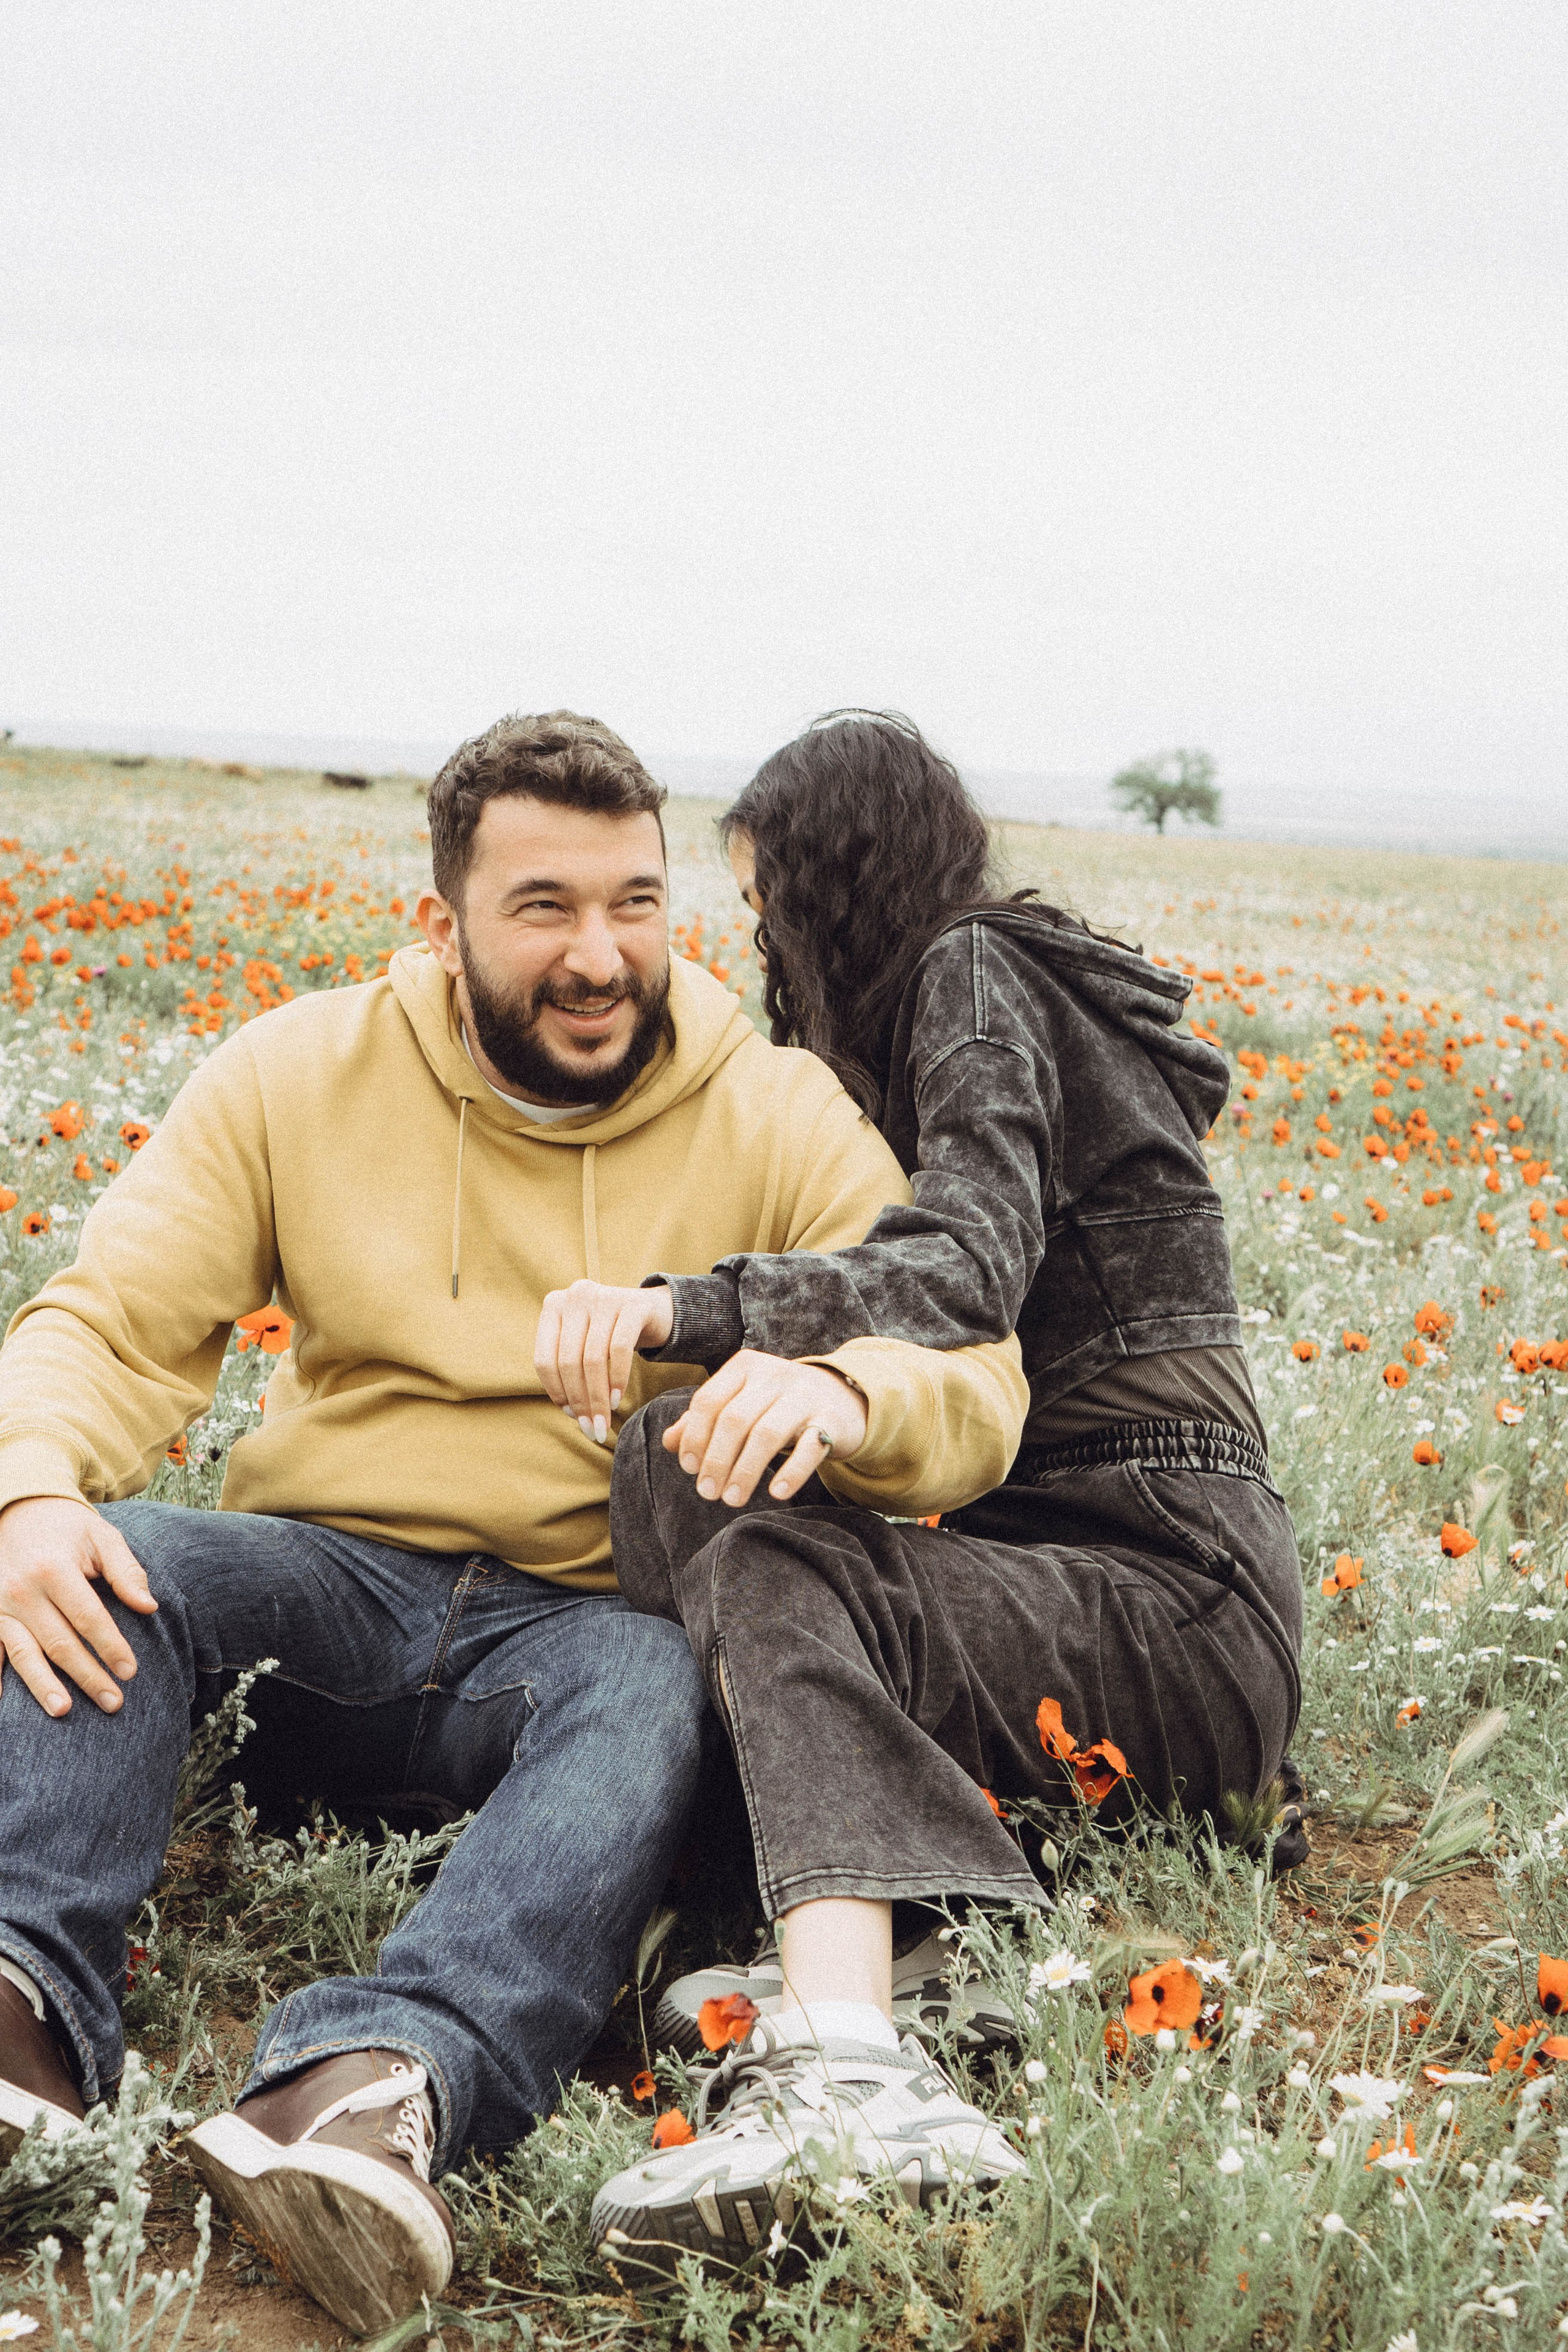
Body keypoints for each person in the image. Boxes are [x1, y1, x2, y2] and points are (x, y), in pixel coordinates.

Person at [0, 712, 1027, 2338]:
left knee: (657, 1685)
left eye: (634, 903)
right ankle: (22, 2022)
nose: (598, 955)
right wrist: (29, 1487)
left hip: (581, 1631)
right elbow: (110, 1322)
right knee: (112, 1560)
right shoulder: (297, 1070)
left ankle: (373, 2084)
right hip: (322, 1585)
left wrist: (848, 1392)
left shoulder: (774, 1111)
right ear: (443, 923)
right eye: (543, 907)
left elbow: (967, 1364)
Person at [530, 712, 1304, 2266]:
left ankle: (851, 2073)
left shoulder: (974, 968)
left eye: (771, 910)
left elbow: (961, 1264)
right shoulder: (981, 996)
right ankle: (921, 1948)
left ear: (839, 883)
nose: (767, 949)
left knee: (767, 1550)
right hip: (1116, 1607)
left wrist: (691, 1309)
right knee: (682, 1463)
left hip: (1168, 1584)